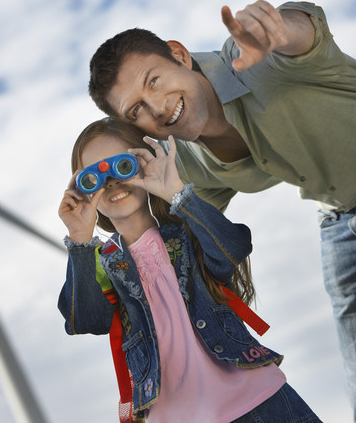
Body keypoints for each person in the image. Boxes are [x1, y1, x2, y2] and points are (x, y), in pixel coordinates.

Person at [87, 0, 356, 423]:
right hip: (341, 216)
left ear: (179, 55)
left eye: (154, 81)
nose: (156, 108)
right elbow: (188, 247)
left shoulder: (251, 58)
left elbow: (305, 34)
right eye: (135, 110)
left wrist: (281, 29)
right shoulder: (183, 163)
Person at [57, 118, 321, 423]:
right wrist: (79, 241)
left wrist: (176, 193)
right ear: (81, 188)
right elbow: (86, 319)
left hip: (259, 401)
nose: (112, 181)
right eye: (95, 177)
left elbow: (233, 247)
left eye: (122, 165)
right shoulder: (101, 266)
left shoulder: (188, 230)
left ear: (146, 161)